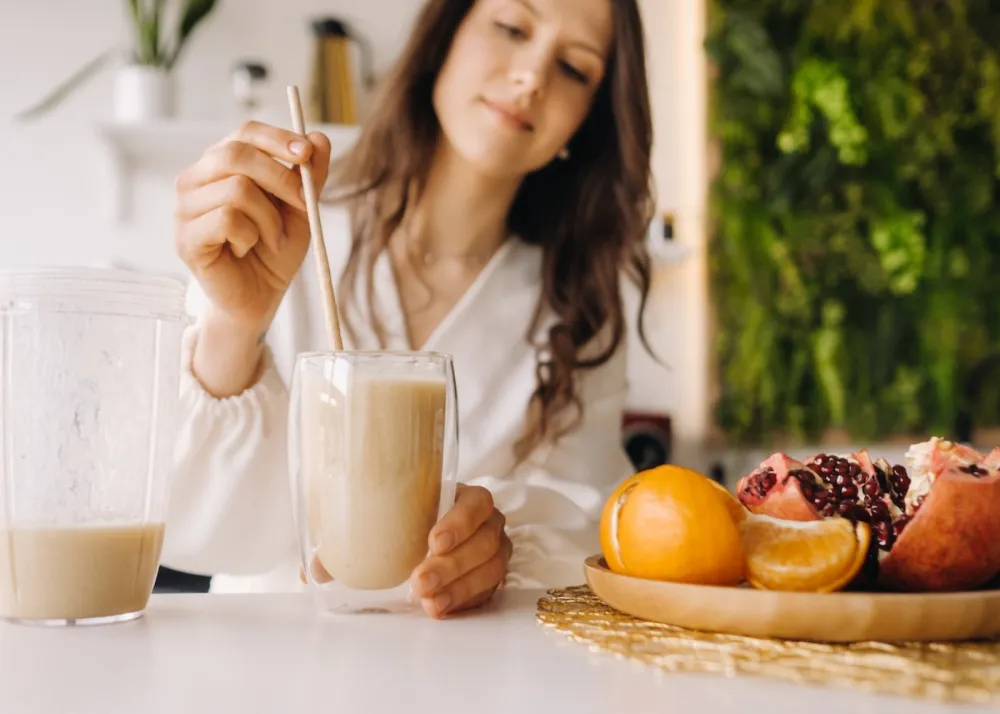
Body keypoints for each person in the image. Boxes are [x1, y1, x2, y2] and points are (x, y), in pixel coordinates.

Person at [164, 0, 656, 619]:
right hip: (265, 666)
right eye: (511, 27)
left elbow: (587, 527)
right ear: (443, 40)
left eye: (575, 69)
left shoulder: (578, 308)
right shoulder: (284, 231)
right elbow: (203, 532)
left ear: (589, 121)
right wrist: (234, 323)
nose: (532, 76)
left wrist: (499, 547)